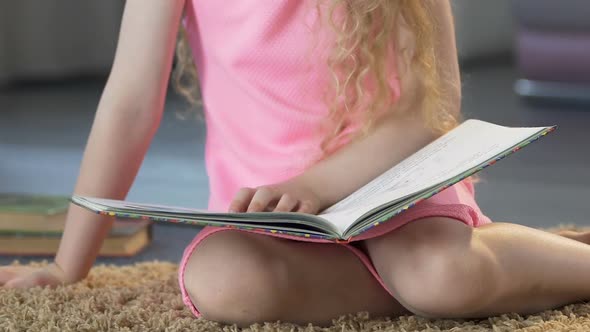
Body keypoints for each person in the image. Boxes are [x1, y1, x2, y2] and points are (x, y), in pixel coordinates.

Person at [1, 0, 589, 328]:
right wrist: (67, 263)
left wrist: (319, 183)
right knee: (224, 282)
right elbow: (128, 106)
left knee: (444, 278)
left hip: (396, 192)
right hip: (269, 221)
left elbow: (429, 116)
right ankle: (423, 280)